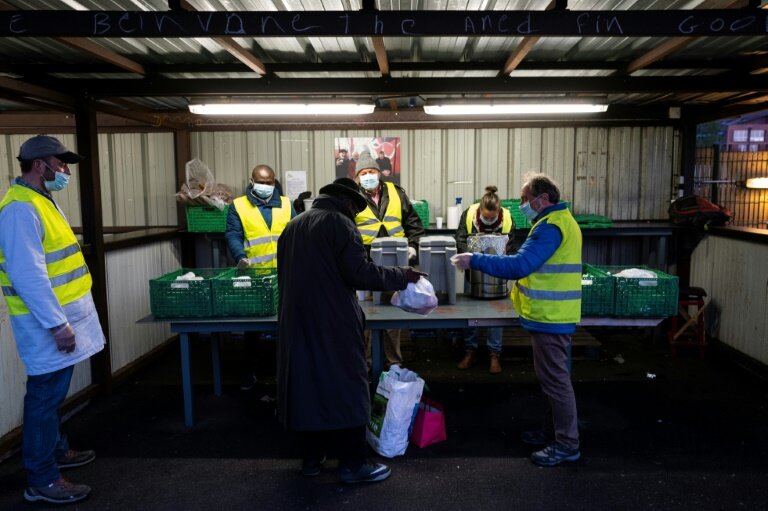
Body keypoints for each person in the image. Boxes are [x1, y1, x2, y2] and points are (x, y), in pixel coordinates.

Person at [276, 177, 424, 484]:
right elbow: (360, 273)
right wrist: (403, 276)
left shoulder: (293, 226)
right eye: (356, 209)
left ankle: (312, 458)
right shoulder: (340, 224)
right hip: (333, 323)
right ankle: (353, 464)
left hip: (296, 323)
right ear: (346, 202)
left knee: (309, 388)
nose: (357, 215)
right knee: (349, 387)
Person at [0, 135, 106, 504]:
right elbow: (28, 275)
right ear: (40, 164)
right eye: (60, 164)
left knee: (54, 393)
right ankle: (42, 478)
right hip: (46, 325)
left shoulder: (41, 201)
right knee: (44, 396)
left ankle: (57, 450)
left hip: (62, 319)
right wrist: (57, 325)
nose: (65, 171)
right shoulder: (19, 209)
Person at [452, 172, 582, 467]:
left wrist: (474, 259)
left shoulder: (550, 227)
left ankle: (566, 444)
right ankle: (554, 433)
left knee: (556, 382)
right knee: (551, 381)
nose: (522, 204)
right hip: (550, 316)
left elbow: (521, 264)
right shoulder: (557, 222)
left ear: (543, 199)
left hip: (552, 318)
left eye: (525, 199)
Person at [224, 164, 296, 390]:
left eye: (269, 182)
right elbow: (233, 234)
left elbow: (297, 232)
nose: (265, 186)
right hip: (255, 274)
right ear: (251, 180)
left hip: (285, 273)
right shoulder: (238, 205)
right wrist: (240, 256)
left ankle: (286, 370)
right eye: (261, 182)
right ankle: (251, 370)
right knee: (253, 325)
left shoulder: (286, 204)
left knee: (287, 323)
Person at [354, 152, 425, 367]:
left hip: (396, 261)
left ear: (379, 173)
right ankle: (364, 366)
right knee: (365, 315)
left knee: (392, 316)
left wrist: (413, 247)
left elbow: (414, 223)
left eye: (371, 172)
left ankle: (393, 365)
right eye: (364, 173)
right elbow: (345, 229)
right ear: (358, 177)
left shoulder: (396, 193)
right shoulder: (352, 197)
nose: (368, 176)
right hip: (365, 264)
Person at [455, 185, 516, 374]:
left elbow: (512, 245)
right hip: (473, 271)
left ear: (498, 211)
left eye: (492, 217)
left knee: (496, 312)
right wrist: (472, 257)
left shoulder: (507, 217)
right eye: (485, 216)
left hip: (497, 272)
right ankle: (470, 351)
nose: (488, 219)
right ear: (480, 210)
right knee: (470, 311)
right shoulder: (468, 214)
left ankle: (494, 354)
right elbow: (460, 239)